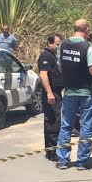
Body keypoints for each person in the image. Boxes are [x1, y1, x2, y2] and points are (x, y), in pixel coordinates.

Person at [56, 19, 92, 170]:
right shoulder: (88, 47)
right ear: (86, 29)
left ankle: (63, 160)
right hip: (86, 92)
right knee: (86, 126)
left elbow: (60, 67)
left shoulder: (63, 45)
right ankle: (81, 162)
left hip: (69, 92)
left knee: (66, 125)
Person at [38, 33, 63, 161]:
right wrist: (49, 93)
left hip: (56, 93)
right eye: (57, 44)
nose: (59, 47)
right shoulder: (45, 56)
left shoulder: (54, 56)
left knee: (56, 121)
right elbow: (43, 75)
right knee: (53, 122)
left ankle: (53, 151)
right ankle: (52, 153)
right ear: (50, 43)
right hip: (51, 94)